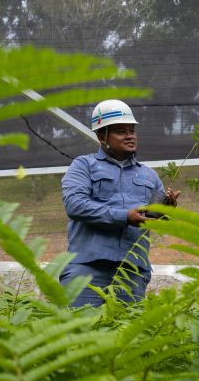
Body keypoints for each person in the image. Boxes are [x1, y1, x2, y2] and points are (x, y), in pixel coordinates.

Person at [60, 99, 180, 307]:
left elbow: (152, 220)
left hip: (132, 271)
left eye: (132, 131)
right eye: (121, 131)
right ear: (101, 136)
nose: (130, 136)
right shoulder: (83, 165)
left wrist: (165, 211)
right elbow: (75, 205)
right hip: (87, 267)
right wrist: (125, 216)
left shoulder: (149, 175)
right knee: (81, 326)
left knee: (127, 328)